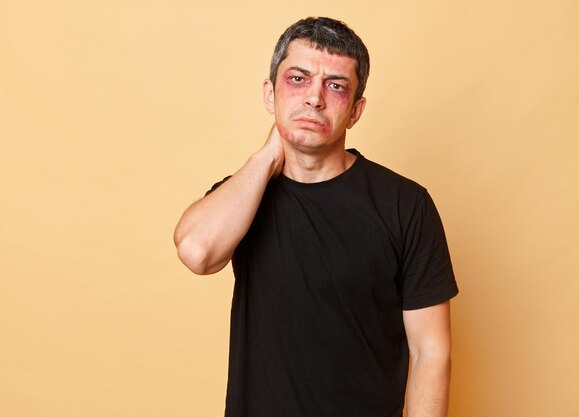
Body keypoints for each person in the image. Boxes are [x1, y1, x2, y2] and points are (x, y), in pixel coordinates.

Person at [174, 16, 459, 417]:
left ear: (356, 111)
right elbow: (197, 252)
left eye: (336, 85)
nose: (314, 98)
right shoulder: (244, 194)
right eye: (298, 79)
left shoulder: (405, 205)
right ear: (270, 94)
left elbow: (431, 352)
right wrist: (269, 156)